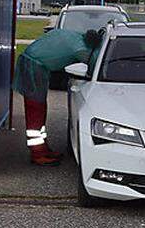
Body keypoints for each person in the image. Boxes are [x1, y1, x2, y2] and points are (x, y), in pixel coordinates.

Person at [13, 27, 103, 165]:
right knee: (35, 109)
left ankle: (42, 148)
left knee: (40, 107)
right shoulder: (81, 49)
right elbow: (93, 68)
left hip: (33, 63)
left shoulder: (74, 35)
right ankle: (37, 153)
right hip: (34, 67)